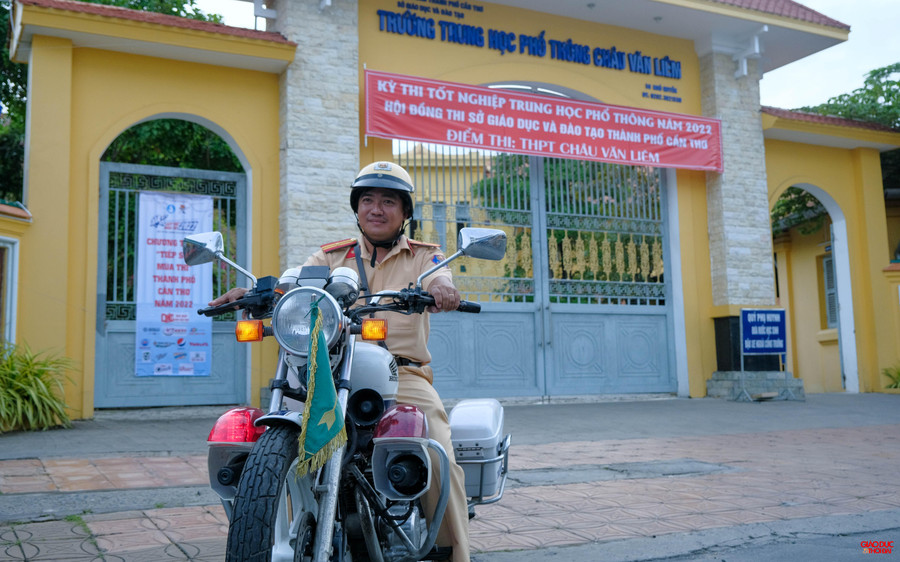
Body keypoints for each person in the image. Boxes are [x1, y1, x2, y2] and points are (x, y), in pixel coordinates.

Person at [209, 161, 470, 562]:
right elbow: (291, 285)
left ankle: (451, 551)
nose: (376, 209)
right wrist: (256, 293)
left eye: (388, 201)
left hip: (402, 375)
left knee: (435, 446)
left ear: (404, 213)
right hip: (327, 371)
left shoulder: (424, 256)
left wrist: (444, 290)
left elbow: (440, 277)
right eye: (368, 200)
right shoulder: (331, 256)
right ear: (357, 207)